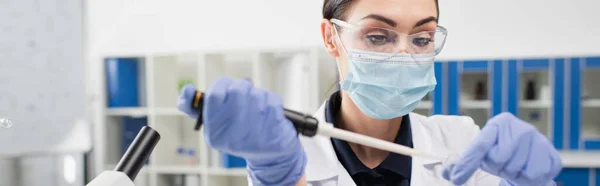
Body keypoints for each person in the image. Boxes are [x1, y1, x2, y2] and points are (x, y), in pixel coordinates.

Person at [178, 0, 563, 185]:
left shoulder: (462, 143)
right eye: (378, 36)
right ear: (331, 37)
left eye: (422, 38)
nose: (404, 54)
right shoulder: (285, 160)